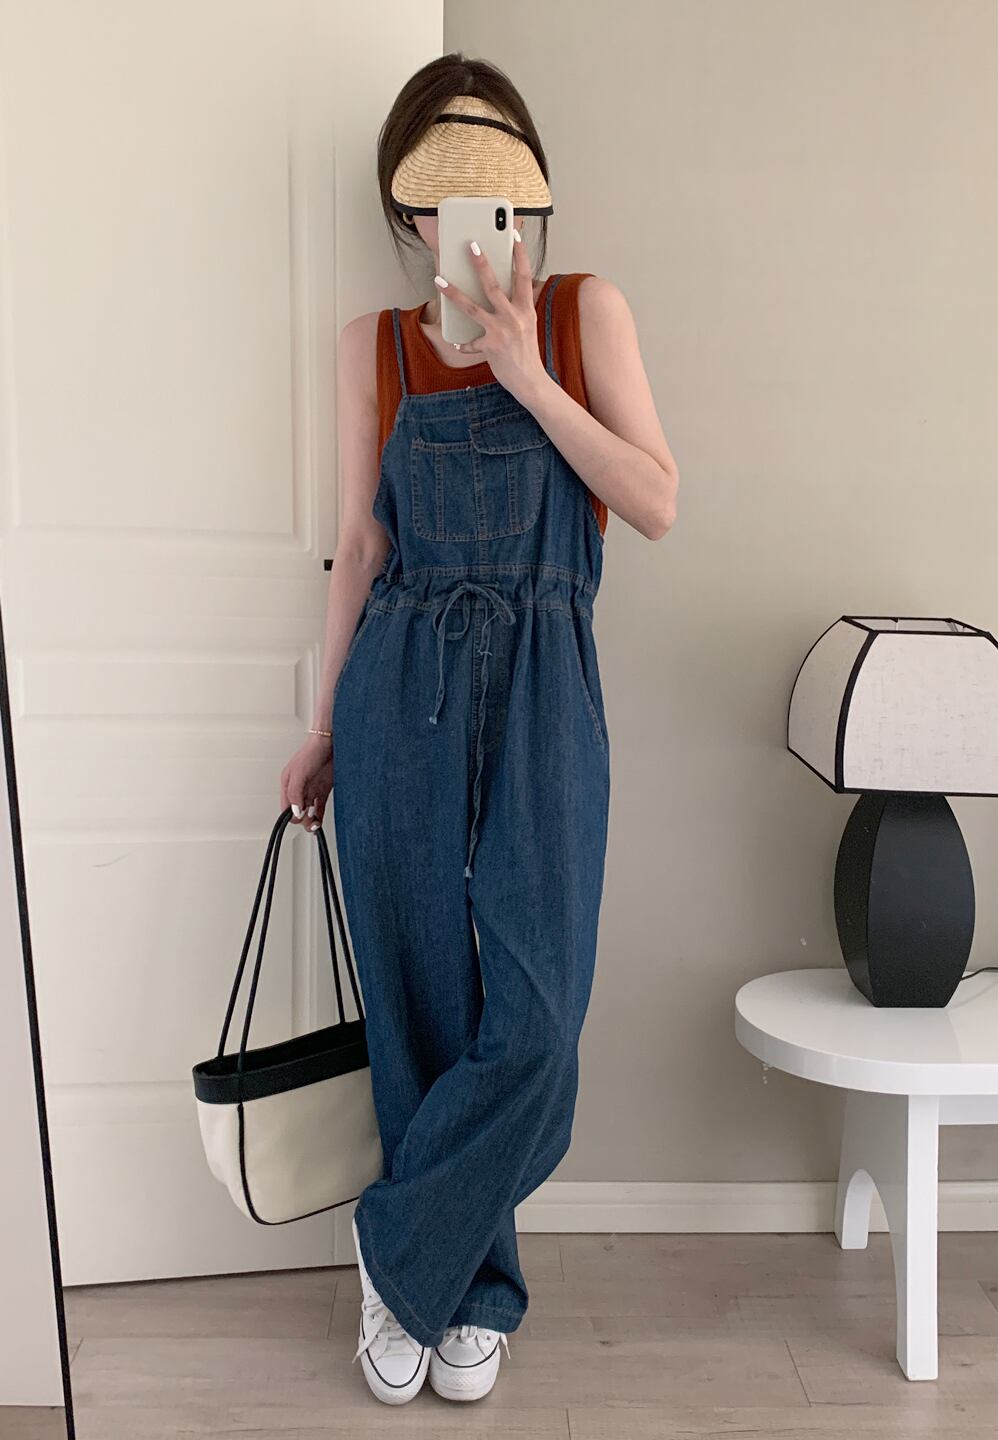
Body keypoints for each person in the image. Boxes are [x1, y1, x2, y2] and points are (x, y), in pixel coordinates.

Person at [279, 53, 678, 1406]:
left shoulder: (582, 314)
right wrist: (324, 722)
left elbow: (657, 499)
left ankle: (397, 1248)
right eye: (442, 196)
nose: (469, 218)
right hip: (399, 685)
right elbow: (358, 545)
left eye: (494, 191)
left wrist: (524, 372)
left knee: (539, 1023)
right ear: (408, 212)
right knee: (418, 1004)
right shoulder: (372, 346)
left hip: (550, 681)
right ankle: (470, 1294)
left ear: (529, 198)